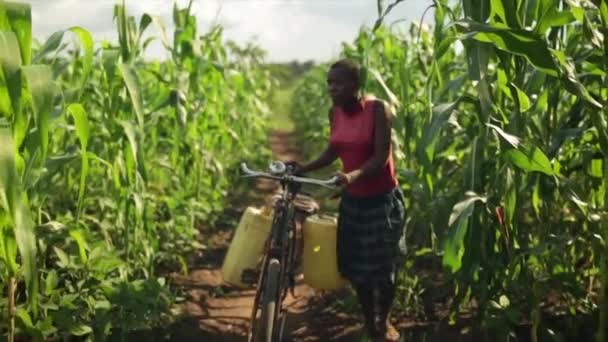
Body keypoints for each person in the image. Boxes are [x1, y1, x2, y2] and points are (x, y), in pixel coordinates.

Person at [293, 59, 406, 341]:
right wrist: (303, 168)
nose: (332, 87)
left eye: (338, 82)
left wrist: (352, 175)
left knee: (385, 268)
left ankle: (385, 317)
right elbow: (333, 151)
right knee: (357, 269)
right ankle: (371, 322)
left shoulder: (378, 110)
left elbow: (380, 157)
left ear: (356, 85)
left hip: (381, 200)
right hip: (354, 201)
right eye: (329, 82)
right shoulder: (336, 113)